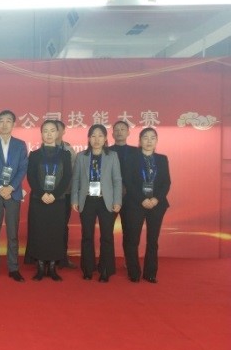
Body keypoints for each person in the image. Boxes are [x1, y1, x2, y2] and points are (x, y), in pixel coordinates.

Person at [71, 124, 122, 282]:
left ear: (106, 138)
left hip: (106, 201)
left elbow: (117, 180)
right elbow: (76, 180)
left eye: (100, 135)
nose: (97, 139)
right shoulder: (81, 156)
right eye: (93, 135)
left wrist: (117, 201)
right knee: (87, 235)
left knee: (106, 236)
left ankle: (105, 269)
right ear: (88, 138)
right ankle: (88, 269)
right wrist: (74, 199)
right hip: (87, 200)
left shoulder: (112, 156)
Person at [0, 110, 28, 282]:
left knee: (12, 233)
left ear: (14, 124)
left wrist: (11, 187)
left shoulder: (20, 144)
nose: (4, 124)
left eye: (8, 121)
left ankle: (13, 268)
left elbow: (23, 168)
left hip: (13, 193)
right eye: (1, 121)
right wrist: (0, 187)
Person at [123, 127, 171, 283]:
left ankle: (150, 273)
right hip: (135, 204)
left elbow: (166, 182)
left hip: (157, 204)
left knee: (152, 240)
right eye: (145, 137)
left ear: (156, 141)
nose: (149, 141)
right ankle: (134, 272)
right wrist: (141, 199)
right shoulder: (131, 158)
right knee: (132, 239)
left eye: (152, 138)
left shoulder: (162, 159)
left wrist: (156, 199)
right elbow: (128, 182)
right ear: (139, 141)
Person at [26, 120, 72, 281]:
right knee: (39, 232)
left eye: (52, 130)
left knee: (55, 233)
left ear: (58, 133)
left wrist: (54, 194)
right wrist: (42, 194)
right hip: (39, 200)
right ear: (41, 134)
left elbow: (67, 177)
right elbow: (31, 177)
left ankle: (52, 267)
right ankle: (40, 266)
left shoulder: (65, 154)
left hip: (58, 200)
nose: (49, 134)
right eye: (45, 130)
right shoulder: (34, 154)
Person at [109, 120, 139, 266]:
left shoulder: (136, 152)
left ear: (128, 132)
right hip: (111, 197)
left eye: (122, 129)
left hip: (131, 198)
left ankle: (130, 262)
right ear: (112, 134)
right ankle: (107, 262)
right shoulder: (106, 151)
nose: (119, 132)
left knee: (130, 232)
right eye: (116, 129)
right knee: (107, 231)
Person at [55, 119, 78, 270]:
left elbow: (74, 173)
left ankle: (62, 257)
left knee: (63, 226)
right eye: (52, 128)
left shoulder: (69, 150)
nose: (55, 131)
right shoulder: (42, 149)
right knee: (47, 226)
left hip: (65, 194)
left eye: (58, 128)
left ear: (64, 131)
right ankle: (46, 257)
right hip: (46, 196)